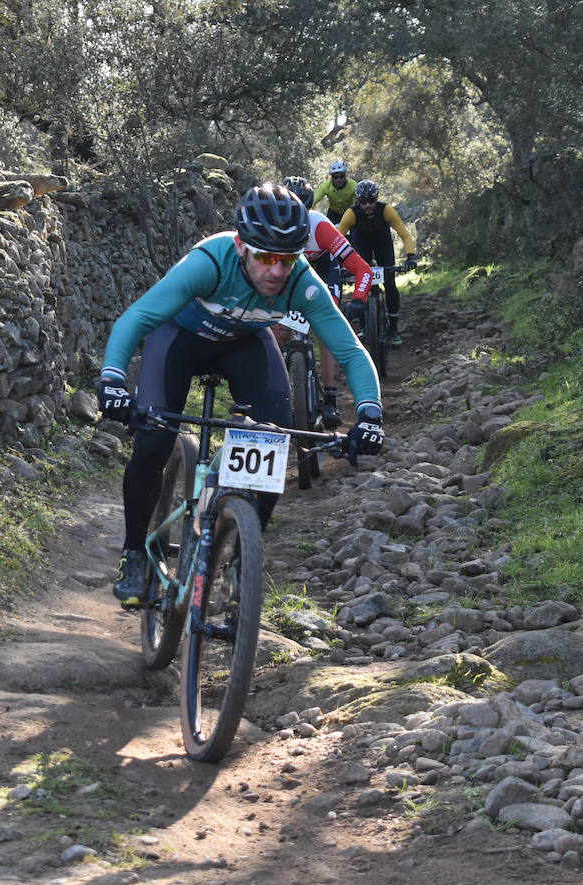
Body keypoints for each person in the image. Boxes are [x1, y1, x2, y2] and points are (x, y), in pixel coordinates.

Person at [95, 184, 386, 606]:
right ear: (240, 246)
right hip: (178, 340)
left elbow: (349, 350)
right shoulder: (210, 262)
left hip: (243, 343)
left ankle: (241, 560)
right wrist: (112, 380)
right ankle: (134, 551)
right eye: (265, 257)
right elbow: (137, 317)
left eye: (287, 259)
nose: (276, 271)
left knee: (274, 440)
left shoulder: (301, 282)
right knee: (154, 439)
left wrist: (370, 414)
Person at [274, 175, 374, 429]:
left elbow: (363, 270)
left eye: (300, 211)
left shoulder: (320, 226)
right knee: (275, 331)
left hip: (323, 270)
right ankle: (274, 390)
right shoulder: (271, 226)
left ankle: (329, 398)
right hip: (289, 272)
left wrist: (359, 299)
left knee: (327, 329)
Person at [338, 179, 418, 347]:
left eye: (371, 201)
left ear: (377, 199)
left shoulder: (386, 210)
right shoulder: (351, 214)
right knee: (361, 284)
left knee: (390, 284)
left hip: (383, 246)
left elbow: (405, 235)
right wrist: (336, 263)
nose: (367, 205)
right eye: (363, 202)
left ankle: (394, 329)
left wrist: (410, 256)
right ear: (357, 201)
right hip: (361, 246)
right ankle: (364, 325)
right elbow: (336, 239)